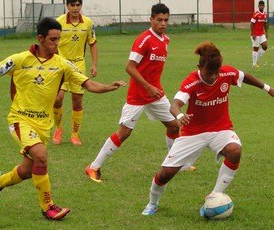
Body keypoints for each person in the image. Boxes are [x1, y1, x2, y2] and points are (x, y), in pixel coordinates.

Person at [0, 17, 125, 220]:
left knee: (27, 171)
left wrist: (108, 86)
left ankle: (0, 182)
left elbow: (88, 84)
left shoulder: (63, 65)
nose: (57, 44)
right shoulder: (19, 59)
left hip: (44, 126)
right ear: (40, 39)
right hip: (20, 120)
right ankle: (48, 207)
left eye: (58, 39)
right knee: (41, 155)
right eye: (53, 40)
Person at [141, 41, 274, 216]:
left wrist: (268, 88)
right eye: (209, 73)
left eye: (216, 72)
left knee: (235, 151)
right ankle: (153, 203)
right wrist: (180, 116)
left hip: (221, 129)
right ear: (199, 66)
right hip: (193, 133)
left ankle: (215, 195)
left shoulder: (226, 72)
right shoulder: (191, 81)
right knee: (166, 173)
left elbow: (245, 76)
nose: (213, 77)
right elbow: (175, 104)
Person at [85, 3, 195, 183]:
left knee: (174, 126)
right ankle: (93, 167)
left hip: (156, 94)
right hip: (138, 95)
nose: (163, 23)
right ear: (151, 19)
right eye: (159, 20)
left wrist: (153, 88)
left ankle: (176, 163)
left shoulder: (165, 40)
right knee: (124, 132)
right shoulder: (144, 39)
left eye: (166, 20)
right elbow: (129, 67)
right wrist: (147, 86)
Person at [52, 0, 98, 145]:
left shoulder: (88, 23)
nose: (75, 8)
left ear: (81, 6)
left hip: (78, 64)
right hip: (60, 64)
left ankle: (75, 134)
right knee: (57, 98)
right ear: (67, 6)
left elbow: (92, 42)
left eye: (78, 5)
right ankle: (58, 129)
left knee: (77, 100)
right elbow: (51, 42)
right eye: (72, 5)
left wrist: (94, 64)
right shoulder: (58, 22)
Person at [250, 0, 268, 68]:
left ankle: (256, 58)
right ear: (258, 6)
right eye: (260, 5)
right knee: (256, 48)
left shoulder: (265, 14)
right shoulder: (256, 14)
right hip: (255, 34)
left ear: (264, 6)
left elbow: (265, 24)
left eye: (262, 5)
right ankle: (254, 64)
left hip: (262, 33)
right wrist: (253, 34)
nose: (261, 6)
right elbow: (251, 24)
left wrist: (266, 32)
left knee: (265, 47)